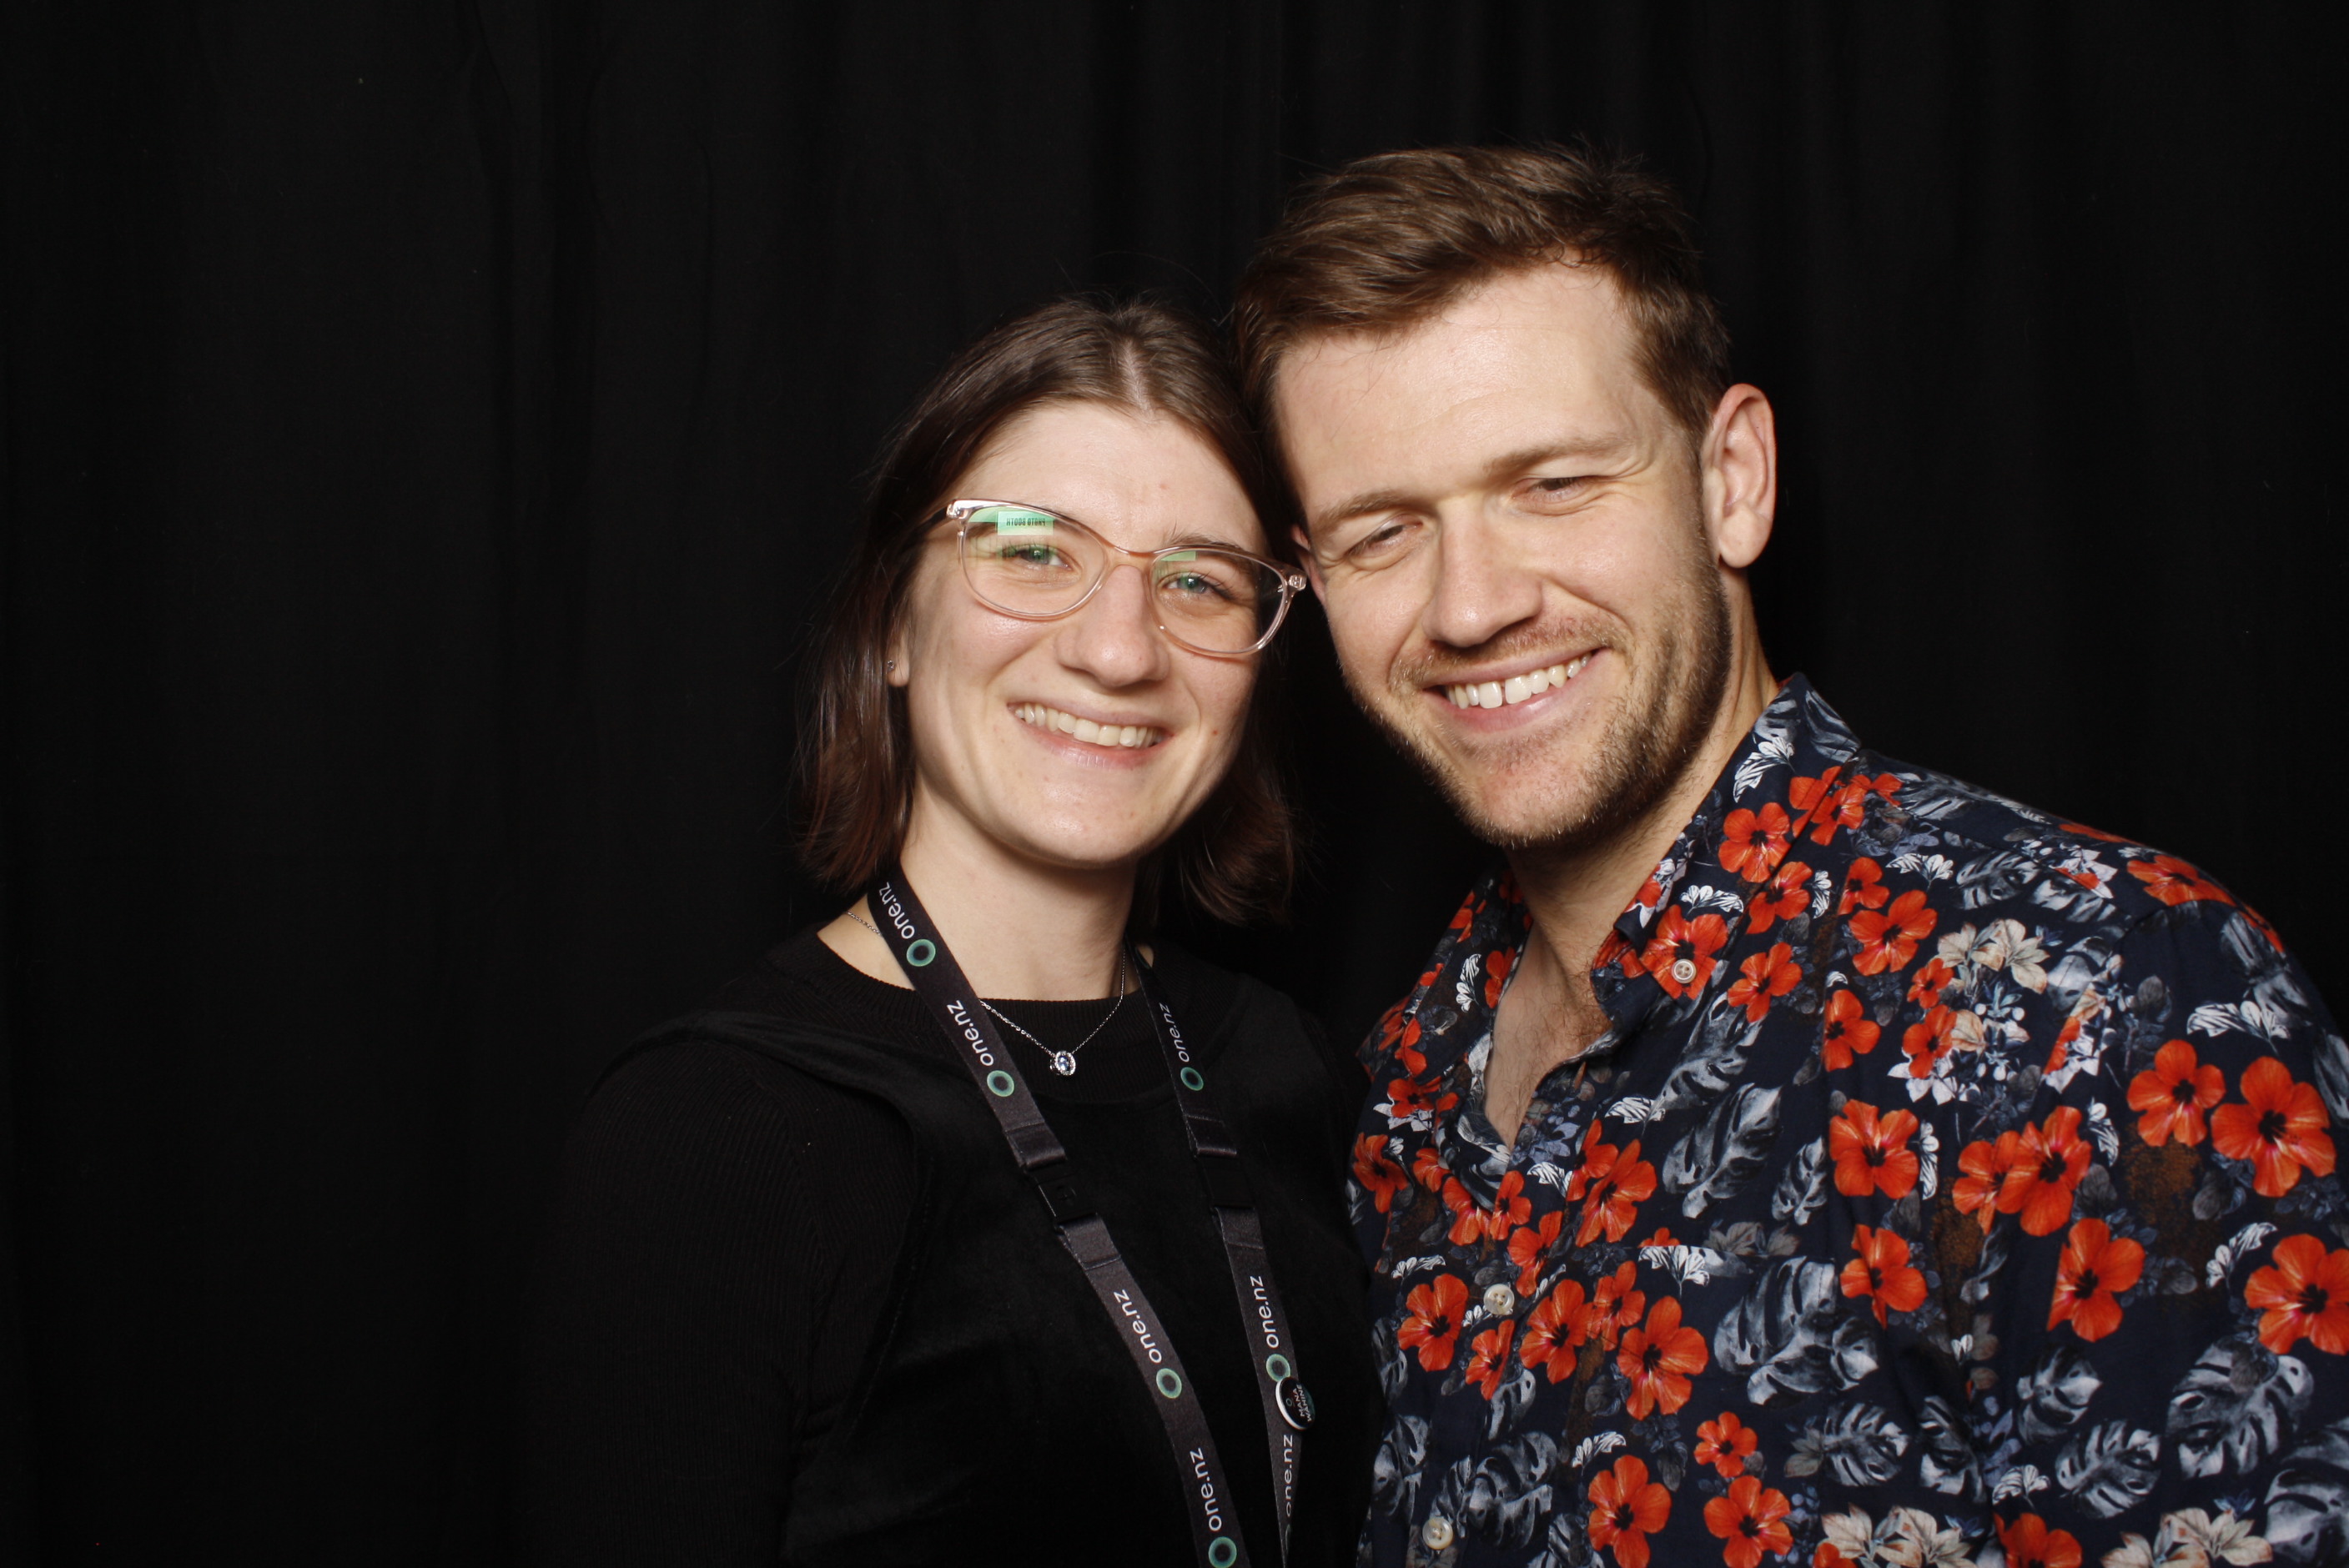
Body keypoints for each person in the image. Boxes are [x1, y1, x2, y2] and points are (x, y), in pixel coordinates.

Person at [1232, 146, 2349, 1568]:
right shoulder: (1399, 1091)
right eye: (1384, 532)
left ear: (1732, 482)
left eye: (1556, 484)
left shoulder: (2100, 998)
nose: (1472, 605)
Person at [523, 296, 1379, 1567]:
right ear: (887, 625)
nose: (1117, 647)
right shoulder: (714, 1136)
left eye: (1199, 581)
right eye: (1032, 550)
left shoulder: (1292, 1070)